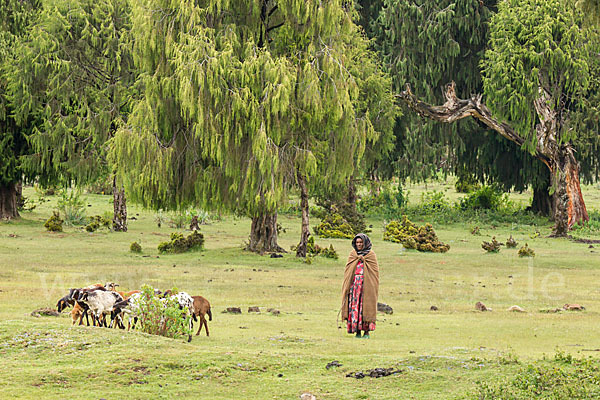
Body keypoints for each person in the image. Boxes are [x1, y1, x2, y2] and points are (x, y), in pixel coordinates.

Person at [341, 233, 379, 339]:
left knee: (366, 307)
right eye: (357, 242)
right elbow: (348, 272)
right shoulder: (353, 255)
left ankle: (366, 332)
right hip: (354, 287)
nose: (359, 244)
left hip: (367, 287)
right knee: (354, 308)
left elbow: (374, 274)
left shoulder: (371, 255)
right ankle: (356, 331)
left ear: (365, 243)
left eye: (361, 242)